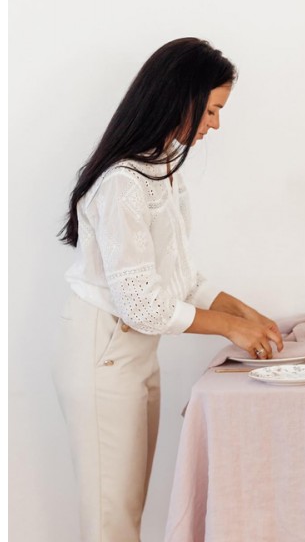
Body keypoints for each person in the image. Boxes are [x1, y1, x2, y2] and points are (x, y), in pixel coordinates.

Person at [52, 37, 283, 542]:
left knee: (127, 511)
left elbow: (183, 279)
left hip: (133, 352)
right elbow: (142, 304)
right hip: (104, 352)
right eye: (213, 110)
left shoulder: (161, 172)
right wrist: (231, 329)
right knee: (111, 523)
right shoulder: (123, 183)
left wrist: (249, 315)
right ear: (183, 97)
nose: (215, 125)